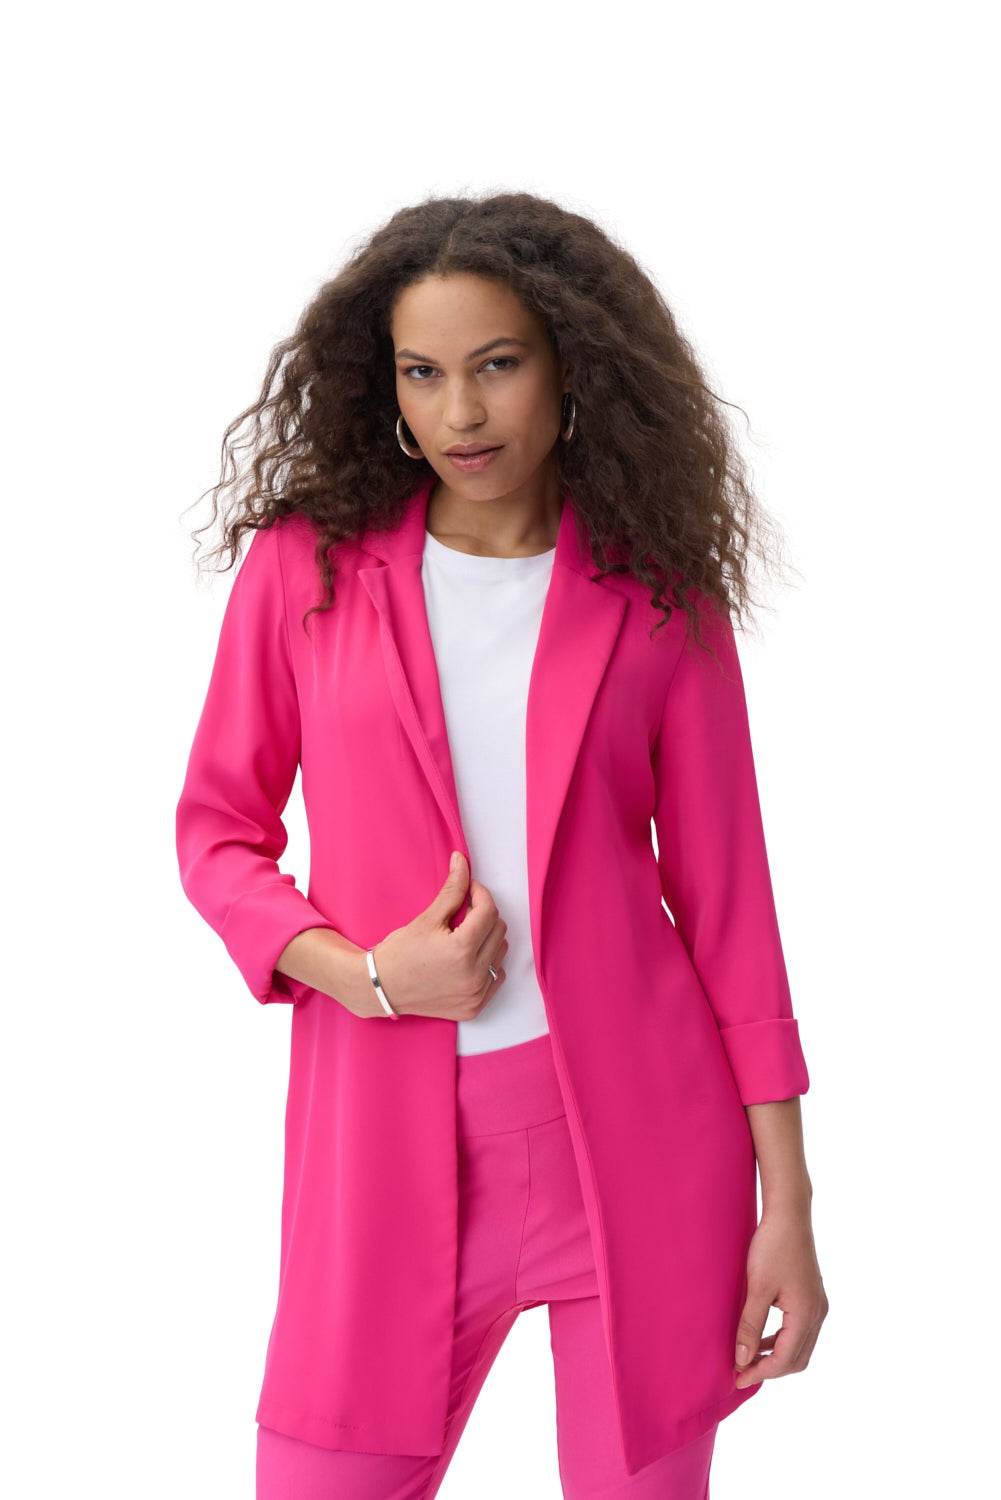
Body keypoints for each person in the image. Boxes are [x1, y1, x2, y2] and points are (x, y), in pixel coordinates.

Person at [175, 190, 828, 1499]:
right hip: (385, 1151)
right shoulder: (307, 573)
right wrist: (367, 974)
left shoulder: (657, 594)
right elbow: (216, 834)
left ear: (569, 365)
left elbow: (729, 911)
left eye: (497, 364)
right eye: (422, 373)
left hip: (639, 1146)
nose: (460, 414)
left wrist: (789, 1211)